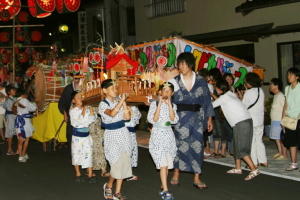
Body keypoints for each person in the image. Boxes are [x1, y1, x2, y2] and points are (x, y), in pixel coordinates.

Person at [168, 52, 214, 189]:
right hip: (180, 119)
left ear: (190, 64)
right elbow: (166, 99)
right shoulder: (174, 81)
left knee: (197, 147)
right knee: (178, 146)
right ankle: (176, 173)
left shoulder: (201, 81)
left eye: (183, 63)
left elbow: (207, 101)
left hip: (197, 119)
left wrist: (209, 119)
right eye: (179, 64)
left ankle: (197, 177)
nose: (180, 66)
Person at [212, 79, 260, 180]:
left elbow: (212, 105)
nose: (214, 88)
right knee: (235, 145)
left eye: (215, 87)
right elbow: (220, 101)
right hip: (245, 122)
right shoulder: (230, 94)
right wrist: (212, 95)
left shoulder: (224, 97)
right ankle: (238, 168)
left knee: (241, 148)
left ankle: (254, 169)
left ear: (219, 89)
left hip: (241, 123)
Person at [99, 79, 132, 200]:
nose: (115, 90)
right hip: (111, 135)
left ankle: (117, 192)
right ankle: (108, 185)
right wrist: (122, 100)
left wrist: (123, 103)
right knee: (116, 163)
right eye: (112, 88)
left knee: (123, 163)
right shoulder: (103, 104)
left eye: (116, 88)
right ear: (104, 90)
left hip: (123, 134)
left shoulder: (119, 101)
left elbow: (127, 117)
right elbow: (112, 114)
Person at [147, 82, 179, 200]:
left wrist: (169, 105)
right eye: (164, 90)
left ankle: (163, 186)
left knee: (167, 163)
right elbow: (153, 120)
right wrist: (159, 104)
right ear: (160, 92)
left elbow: (173, 120)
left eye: (168, 90)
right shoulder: (154, 104)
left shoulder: (174, 106)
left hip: (168, 135)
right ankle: (166, 190)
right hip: (158, 134)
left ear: (172, 93)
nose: (166, 92)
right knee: (163, 164)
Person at [238, 72, 268, 168]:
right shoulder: (261, 90)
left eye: (246, 81)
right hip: (260, 120)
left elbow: (243, 106)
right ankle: (264, 161)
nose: (245, 83)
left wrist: (241, 97)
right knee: (259, 140)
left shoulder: (249, 92)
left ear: (249, 82)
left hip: (251, 120)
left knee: (252, 142)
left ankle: (254, 162)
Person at [69, 91, 97, 183]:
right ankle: (78, 174)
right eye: (78, 97)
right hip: (77, 136)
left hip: (86, 136)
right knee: (76, 154)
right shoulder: (73, 111)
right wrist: (84, 110)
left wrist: (91, 111)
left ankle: (90, 174)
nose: (80, 99)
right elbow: (80, 121)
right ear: (73, 100)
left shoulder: (86, 109)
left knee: (88, 153)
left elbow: (91, 120)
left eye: (81, 97)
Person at [281, 67, 300, 171]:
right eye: (288, 75)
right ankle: (293, 163)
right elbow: (285, 104)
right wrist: (283, 119)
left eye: (291, 75)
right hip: (289, 118)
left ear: (297, 77)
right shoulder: (287, 88)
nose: (289, 77)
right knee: (292, 142)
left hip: (299, 118)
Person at [209, 68, 229, 158]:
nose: (209, 78)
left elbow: (222, 100)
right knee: (215, 131)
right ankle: (216, 150)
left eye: (210, 76)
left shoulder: (221, 84)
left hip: (221, 111)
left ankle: (223, 151)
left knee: (222, 131)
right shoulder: (213, 84)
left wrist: (211, 94)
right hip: (215, 110)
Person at [58, 73, 81, 151]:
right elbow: (62, 102)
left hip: (82, 113)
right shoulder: (68, 88)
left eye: (78, 76)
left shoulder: (85, 86)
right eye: (75, 76)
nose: (76, 78)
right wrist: (65, 114)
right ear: (72, 77)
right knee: (71, 135)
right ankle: (73, 156)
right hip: (71, 114)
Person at [14, 88, 38, 162]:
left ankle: (21, 155)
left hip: (18, 121)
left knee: (20, 139)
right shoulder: (24, 100)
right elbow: (33, 108)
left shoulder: (16, 100)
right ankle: (23, 154)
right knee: (26, 138)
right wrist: (34, 102)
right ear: (23, 94)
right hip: (25, 122)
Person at [88, 107, 110, 178]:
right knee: (89, 149)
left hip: (99, 126)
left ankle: (103, 169)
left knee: (101, 147)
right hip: (88, 127)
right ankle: (89, 169)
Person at [269, 78, 287, 160]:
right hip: (274, 120)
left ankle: (284, 153)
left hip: (279, 120)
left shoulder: (280, 96)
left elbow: (285, 107)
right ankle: (280, 152)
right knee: (276, 137)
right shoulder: (276, 96)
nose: (270, 86)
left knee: (281, 138)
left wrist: (283, 120)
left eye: (271, 84)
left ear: (276, 86)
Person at [199, 68, 213, 156]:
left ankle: (204, 148)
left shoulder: (199, 85)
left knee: (202, 130)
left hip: (200, 110)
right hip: (207, 109)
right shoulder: (209, 86)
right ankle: (206, 147)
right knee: (205, 131)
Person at [125, 105, 141, 181]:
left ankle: (128, 173)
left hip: (130, 132)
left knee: (130, 152)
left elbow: (136, 119)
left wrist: (131, 110)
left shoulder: (134, 108)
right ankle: (122, 173)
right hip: (121, 132)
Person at [4, 85, 17, 155]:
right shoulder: (9, 100)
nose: (14, 91)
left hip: (13, 116)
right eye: (13, 90)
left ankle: (17, 149)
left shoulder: (14, 98)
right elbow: (12, 109)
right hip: (11, 117)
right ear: (9, 92)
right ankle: (9, 149)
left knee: (15, 132)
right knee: (10, 133)